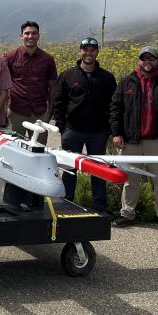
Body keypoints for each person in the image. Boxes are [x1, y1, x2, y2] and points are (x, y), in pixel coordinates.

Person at [110, 46, 158, 235]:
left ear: (157, 61)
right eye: (144, 59)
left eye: (151, 58)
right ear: (139, 61)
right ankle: (127, 214)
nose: (147, 62)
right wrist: (117, 133)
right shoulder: (127, 82)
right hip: (130, 140)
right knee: (130, 179)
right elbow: (115, 108)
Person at [52, 37, 117, 212]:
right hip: (73, 131)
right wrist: (62, 127)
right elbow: (58, 102)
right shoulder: (67, 75)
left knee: (98, 171)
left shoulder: (107, 77)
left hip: (98, 132)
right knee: (69, 170)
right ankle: (67, 206)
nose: (89, 53)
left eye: (92, 50)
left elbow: (114, 104)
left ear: (97, 52)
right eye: (85, 49)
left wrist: (110, 129)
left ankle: (99, 209)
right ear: (80, 51)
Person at [4, 21, 58, 144]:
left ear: (39, 35)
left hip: (40, 113)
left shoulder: (48, 59)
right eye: (27, 33)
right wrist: (5, 109)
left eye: (34, 33)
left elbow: (53, 87)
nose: (30, 36)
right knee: (15, 148)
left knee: (39, 149)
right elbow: (3, 86)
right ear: (21, 36)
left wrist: (49, 112)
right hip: (16, 112)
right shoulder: (10, 57)